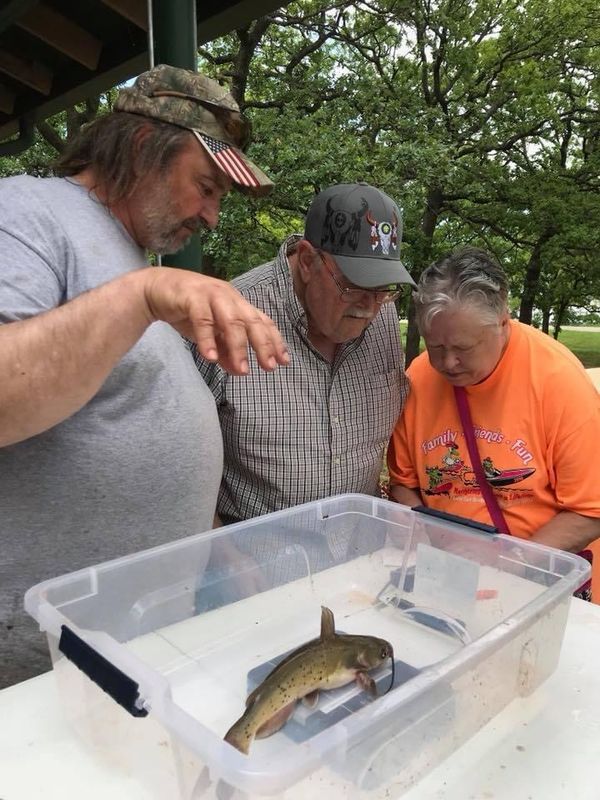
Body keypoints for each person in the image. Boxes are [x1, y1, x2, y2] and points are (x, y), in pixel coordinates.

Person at [0, 64, 289, 688]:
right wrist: (145, 293)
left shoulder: (131, 258)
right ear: (140, 148)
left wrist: (213, 544)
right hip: (37, 664)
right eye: (205, 186)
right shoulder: (26, 212)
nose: (212, 216)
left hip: (130, 644)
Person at [195, 183, 415, 533]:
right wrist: (223, 555)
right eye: (353, 286)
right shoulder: (229, 318)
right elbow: (177, 463)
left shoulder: (381, 314)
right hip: (256, 560)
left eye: (382, 290)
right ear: (309, 261)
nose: (368, 308)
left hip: (356, 557)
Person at [387, 246, 600, 576]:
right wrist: (434, 544)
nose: (447, 363)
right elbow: (404, 484)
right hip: (450, 573)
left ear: (503, 323)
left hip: (542, 576)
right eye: (436, 346)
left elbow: (590, 510)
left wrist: (507, 563)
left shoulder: (558, 381)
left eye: (463, 348)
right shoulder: (418, 378)